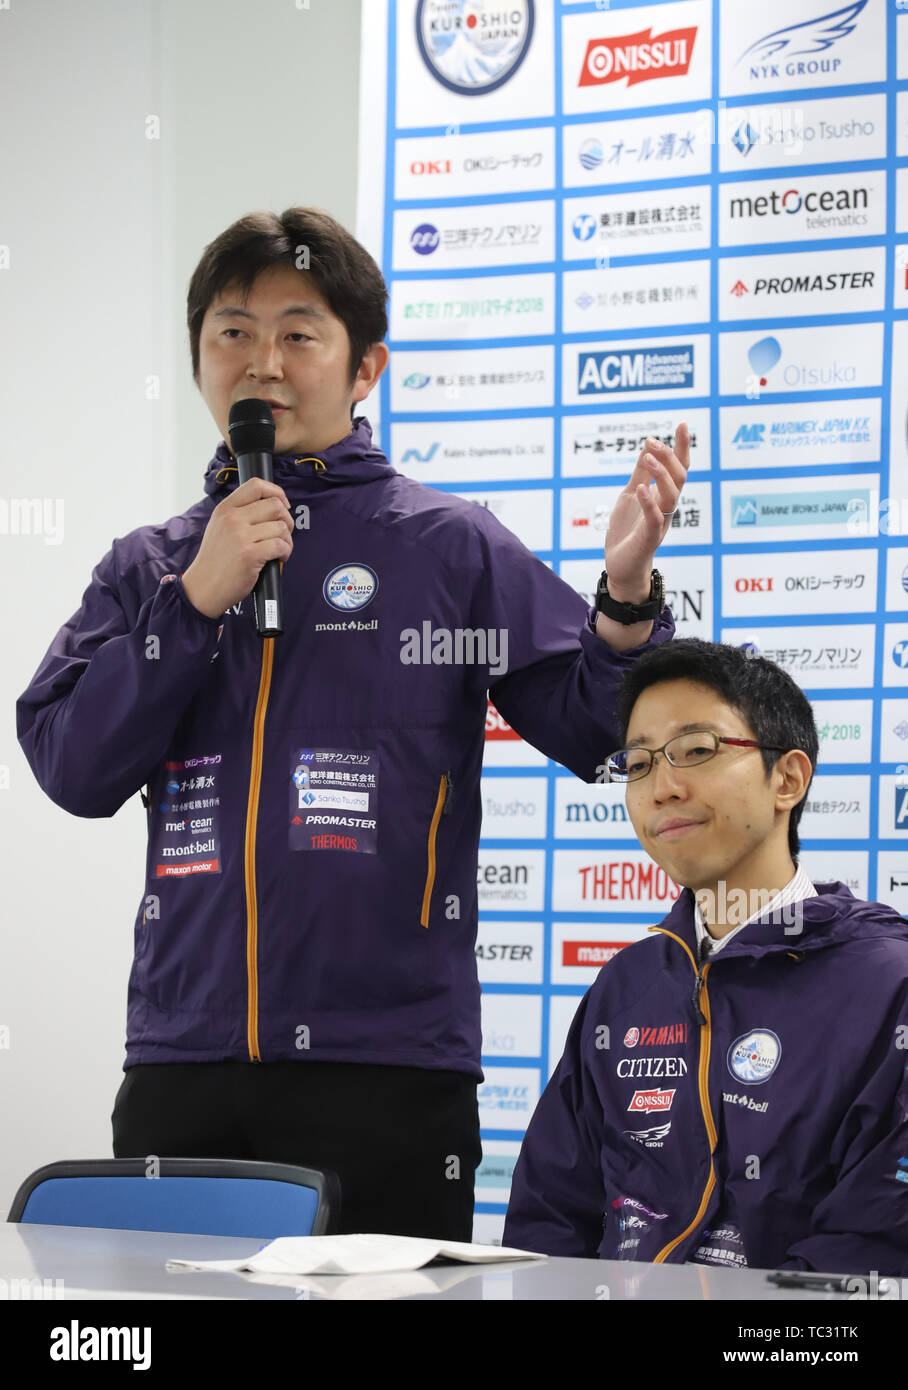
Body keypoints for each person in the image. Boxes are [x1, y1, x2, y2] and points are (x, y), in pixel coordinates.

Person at [16, 206, 688, 1241]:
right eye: (232, 331)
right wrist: (193, 603)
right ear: (197, 358)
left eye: (298, 332)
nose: (262, 361)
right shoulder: (152, 565)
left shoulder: (444, 545)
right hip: (181, 1064)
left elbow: (595, 729)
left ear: (363, 366)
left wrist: (625, 598)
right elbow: (70, 762)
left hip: (386, 1068)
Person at [503, 638, 908, 1275]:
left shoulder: (889, 985)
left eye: (697, 751)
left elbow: (870, 1254)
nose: (662, 788)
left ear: (788, 779)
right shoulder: (627, 984)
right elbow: (548, 1218)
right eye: (637, 764)